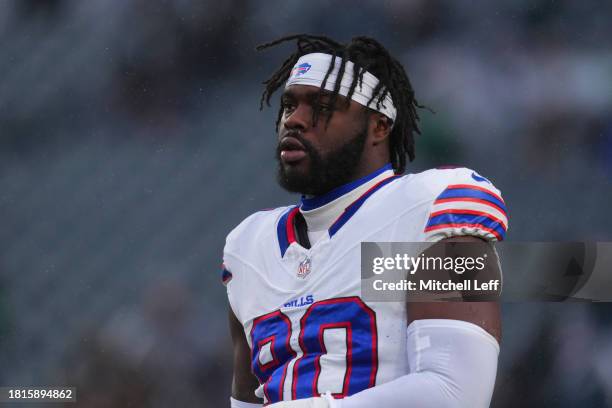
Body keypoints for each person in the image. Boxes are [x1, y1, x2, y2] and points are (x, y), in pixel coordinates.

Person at [223, 34, 508, 408]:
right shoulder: (248, 248)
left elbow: (454, 394)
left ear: (379, 126)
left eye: (322, 106)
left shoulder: (426, 208)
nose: (294, 120)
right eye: (289, 104)